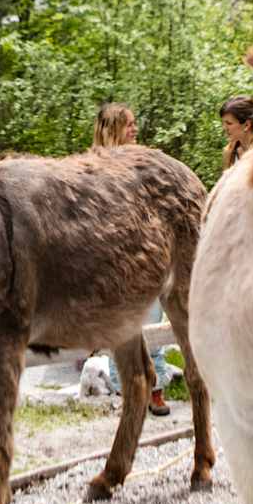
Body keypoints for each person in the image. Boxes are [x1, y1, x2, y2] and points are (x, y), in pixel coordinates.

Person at [91, 102, 172, 416]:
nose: (135, 129)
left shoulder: (142, 160)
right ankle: (129, 393)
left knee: (151, 319)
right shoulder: (95, 165)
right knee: (120, 328)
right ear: (113, 129)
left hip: (147, 250)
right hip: (114, 255)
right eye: (129, 125)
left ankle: (156, 390)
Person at [220, 95, 253, 170]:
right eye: (223, 123)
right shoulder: (229, 152)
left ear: (247, 125)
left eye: (229, 123)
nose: (224, 128)